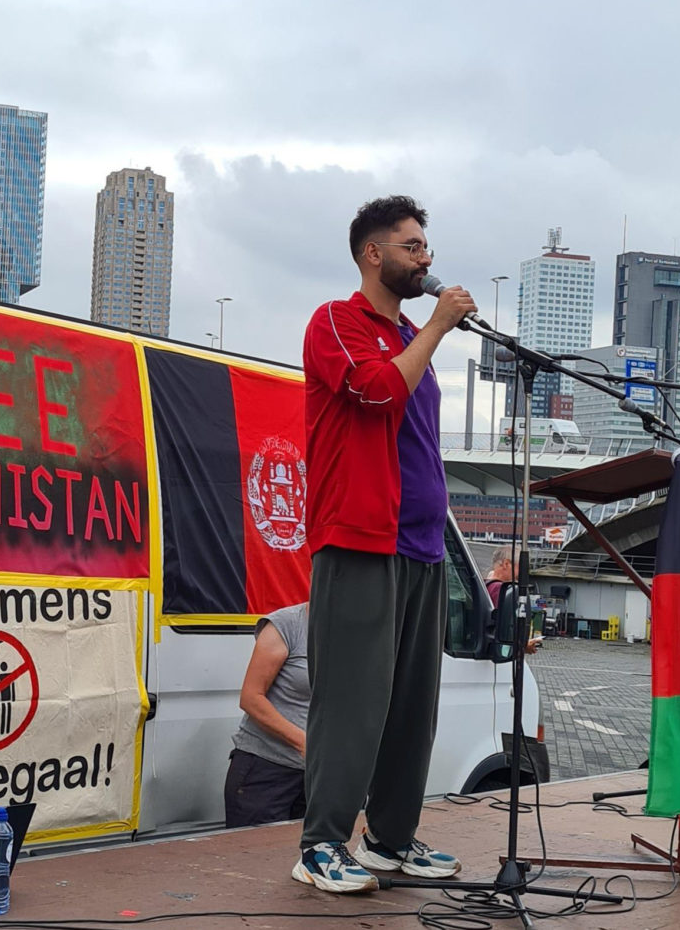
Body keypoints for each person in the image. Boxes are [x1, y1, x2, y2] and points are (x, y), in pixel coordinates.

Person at [293, 195, 476, 894]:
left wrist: (423, 334)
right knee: (353, 702)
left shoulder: (411, 342)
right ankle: (320, 845)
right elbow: (373, 394)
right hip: (361, 540)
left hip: (423, 547)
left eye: (426, 246)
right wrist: (433, 326)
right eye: (412, 246)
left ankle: (391, 838)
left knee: (410, 707)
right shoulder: (337, 322)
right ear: (374, 254)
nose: (426, 258)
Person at [224, 602, 308, 828]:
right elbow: (251, 698)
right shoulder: (287, 624)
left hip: (324, 776)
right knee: (255, 857)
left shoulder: (359, 631)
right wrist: (304, 744)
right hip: (267, 770)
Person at [486, 546, 540, 654]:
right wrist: (522, 645)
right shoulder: (502, 590)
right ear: (506, 564)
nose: (520, 574)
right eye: (520, 568)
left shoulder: (485, 585)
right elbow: (504, 628)